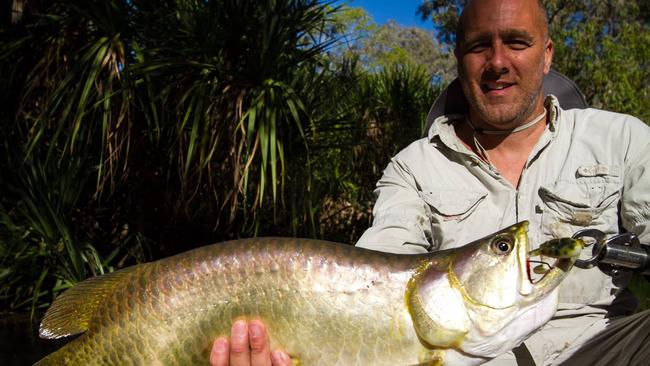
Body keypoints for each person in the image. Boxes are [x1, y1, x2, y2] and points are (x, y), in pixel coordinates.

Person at [210, 0, 650, 365]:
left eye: (517, 42)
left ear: (547, 53)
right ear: (459, 60)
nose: (498, 62)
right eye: (480, 46)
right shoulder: (412, 167)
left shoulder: (623, 139)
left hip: (600, 349)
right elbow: (382, 269)